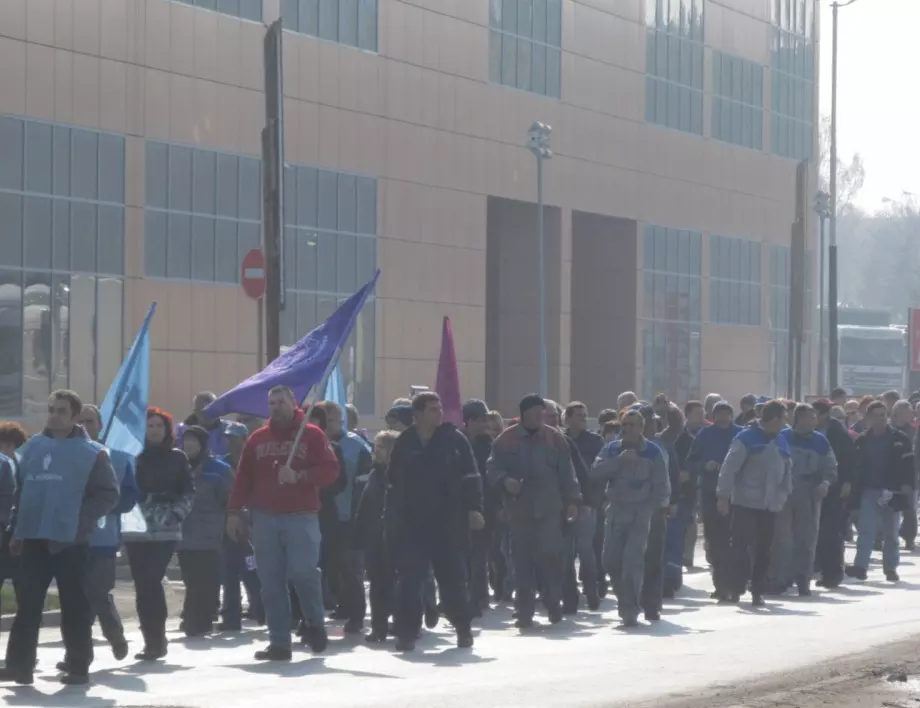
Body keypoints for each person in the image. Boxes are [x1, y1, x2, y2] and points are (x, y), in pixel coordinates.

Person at [0, 390, 119, 686]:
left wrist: (81, 520)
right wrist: (16, 530)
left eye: (61, 410)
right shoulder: (33, 448)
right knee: (28, 605)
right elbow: (20, 493)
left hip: (70, 541)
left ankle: (78, 666)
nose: (54, 415)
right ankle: (19, 666)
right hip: (33, 538)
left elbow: (108, 494)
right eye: (51, 409)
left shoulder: (93, 453)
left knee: (74, 605)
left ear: (75, 416)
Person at [227, 386, 340, 661]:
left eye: (281, 401)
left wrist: (300, 476)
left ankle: (314, 623)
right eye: (271, 403)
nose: (276, 407)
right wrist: (233, 511)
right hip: (264, 517)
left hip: (301, 515)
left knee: (303, 573)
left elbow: (330, 471)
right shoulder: (257, 438)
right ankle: (279, 642)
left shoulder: (311, 434)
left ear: (293, 403)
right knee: (271, 582)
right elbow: (243, 477)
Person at [385, 392, 483, 651]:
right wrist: (391, 519)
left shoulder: (454, 440)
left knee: (452, 580)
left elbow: (471, 477)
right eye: (431, 409)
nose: (438, 413)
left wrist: (474, 509)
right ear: (416, 415)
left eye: (440, 408)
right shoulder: (405, 443)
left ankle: (463, 627)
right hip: (413, 524)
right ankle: (406, 632)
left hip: (447, 523)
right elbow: (393, 484)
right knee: (409, 581)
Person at [56, 405, 139, 674]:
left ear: (100, 425)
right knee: (72, 599)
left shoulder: (117, 457)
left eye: (90, 421)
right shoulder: (60, 455)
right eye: (80, 421)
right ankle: (74, 656)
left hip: (102, 539)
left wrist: (100, 505)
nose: (85, 426)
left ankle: (114, 635)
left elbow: (128, 497)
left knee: (97, 593)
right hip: (69, 539)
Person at [487, 395, 581, 629]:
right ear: (525, 413)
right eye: (537, 411)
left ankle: (552, 603)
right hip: (520, 512)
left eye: (543, 411)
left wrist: (573, 501)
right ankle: (524, 610)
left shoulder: (555, 439)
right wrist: (505, 480)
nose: (542, 415)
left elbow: (567, 474)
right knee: (521, 562)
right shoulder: (506, 440)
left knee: (550, 559)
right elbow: (491, 468)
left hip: (550, 511)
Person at [124, 407, 195, 661]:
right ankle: (150, 638)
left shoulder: (177, 458)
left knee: (152, 579)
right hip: (136, 527)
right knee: (142, 584)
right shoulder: (132, 455)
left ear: (167, 430)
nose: (153, 430)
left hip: (165, 528)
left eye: (158, 426)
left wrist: (176, 513)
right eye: (149, 425)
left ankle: (157, 637)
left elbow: (188, 491)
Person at [591, 409, 670, 627]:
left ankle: (629, 609)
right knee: (610, 561)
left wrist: (652, 509)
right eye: (625, 425)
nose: (628, 429)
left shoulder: (653, 452)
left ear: (642, 428)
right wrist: (618, 461)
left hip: (641, 513)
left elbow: (662, 486)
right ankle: (626, 599)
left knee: (632, 562)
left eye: (633, 425)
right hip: (616, 511)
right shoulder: (612, 449)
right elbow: (596, 473)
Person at [716, 399, 792, 607]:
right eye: (784, 417)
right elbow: (729, 468)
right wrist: (723, 496)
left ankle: (758, 590)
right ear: (774, 418)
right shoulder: (746, 438)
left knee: (764, 549)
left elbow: (787, 474)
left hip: (770, 506)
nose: (786, 422)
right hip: (745, 503)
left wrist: (783, 497)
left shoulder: (782, 441)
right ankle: (736, 588)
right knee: (741, 546)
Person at [315, 401, 372, 633]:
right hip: (319, 515)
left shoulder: (356, 446)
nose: (327, 424)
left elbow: (364, 482)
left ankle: (356, 614)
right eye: (323, 419)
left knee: (350, 568)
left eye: (331, 419)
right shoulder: (311, 443)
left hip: (348, 516)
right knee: (329, 568)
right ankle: (343, 604)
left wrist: (359, 513)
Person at [769, 404, 837, 597]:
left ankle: (803, 580)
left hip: (809, 492)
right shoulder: (782, 437)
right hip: (784, 490)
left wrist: (825, 483)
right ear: (798, 419)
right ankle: (779, 579)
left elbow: (830, 466)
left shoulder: (820, 441)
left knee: (806, 538)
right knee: (781, 538)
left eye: (814, 417)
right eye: (810, 417)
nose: (814, 421)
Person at [846, 400, 915, 582]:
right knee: (866, 531)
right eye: (877, 416)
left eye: (883, 415)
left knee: (891, 533)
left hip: (892, 492)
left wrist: (908, 484)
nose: (881, 419)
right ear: (868, 418)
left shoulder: (899, 439)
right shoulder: (862, 440)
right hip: (869, 490)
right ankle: (861, 566)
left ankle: (890, 568)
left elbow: (910, 463)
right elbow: (856, 466)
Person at [177, 425, 232, 637]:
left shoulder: (218, 469)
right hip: (183, 533)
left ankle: (199, 618)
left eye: (193, 440)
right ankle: (197, 615)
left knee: (206, 578)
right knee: (190, 578)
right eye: (186, 440)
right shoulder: (180, 467)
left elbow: (229, 499)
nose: (189, 444)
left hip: (210, 533)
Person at [686, 401, 742, 601]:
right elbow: (691, 462)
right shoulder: (705, 435)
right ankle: (720, 586)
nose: (722, 417)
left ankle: (736, 585)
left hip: (738, 495)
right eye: (718, 413)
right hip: (711, 493)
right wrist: (705, 465)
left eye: (726, 413)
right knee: (715, 540)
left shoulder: (741, 434)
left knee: (736, 541)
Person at [353, 430, 399, 643]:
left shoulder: (401, 474)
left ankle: (403, 623)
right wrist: (359, 533)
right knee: (377, 582)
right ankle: (378, 626)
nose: (375, 451)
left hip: (395, 537)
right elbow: (365, 504)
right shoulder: (375, 474)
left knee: (396, 583)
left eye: (380, 447)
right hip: (374, 537)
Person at [218, 422, 264, 631]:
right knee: (230, 571)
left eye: (236, 438)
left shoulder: (255, 463)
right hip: (230, 524)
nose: (232, 443)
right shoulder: (223, 465)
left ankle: (261, 608)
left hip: (253, 525)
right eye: (229, 438)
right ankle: (231, 616)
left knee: (251, 569)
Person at [563, 401, 605, 611]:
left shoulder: (595, 441)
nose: (582, 418)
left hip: (587, 503)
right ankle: (570, 595)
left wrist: (591, 501)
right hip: (564, 503)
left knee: (585, 549)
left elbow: (597, 475)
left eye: (584, 414)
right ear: (567, 418)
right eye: (578, 415)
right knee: (565, 551)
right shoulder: (560, 439)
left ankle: (592, 591)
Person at [812, 399, 856, 589]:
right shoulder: (808, 431)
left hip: (835, 488)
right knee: (817, 532)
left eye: (816, 415)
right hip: (814, 487)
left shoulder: (838, 433)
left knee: (830, 532)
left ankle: (833, 573)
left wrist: (847, 481)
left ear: (823, 415)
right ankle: (821, 570)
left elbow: (850, 458)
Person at [461, 399, 497, 617]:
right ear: (469, 421)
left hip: (486, 508)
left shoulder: (490, 446)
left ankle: (478, 597)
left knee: (478, 555)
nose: (485, 424)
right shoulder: (459, 442)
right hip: (459, 508)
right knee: (463, 555)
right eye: (481, 419)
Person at [0, 422, 26, 626]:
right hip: (20, 533)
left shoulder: (8, 464)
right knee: (26, 593)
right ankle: (26, 643)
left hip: (7, 531)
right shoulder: (22, 465)